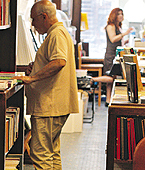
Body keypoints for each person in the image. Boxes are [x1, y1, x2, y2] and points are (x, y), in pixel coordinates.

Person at [13, 1, 79, 169]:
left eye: (34, 19)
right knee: (51, 151)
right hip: (56, 105)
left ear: (44, 17)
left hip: (50, 105)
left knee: (40, 152)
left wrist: (33, 77)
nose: (33, 24)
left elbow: (59, 62)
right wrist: (36, 66)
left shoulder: (56, 34)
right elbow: (54, 60)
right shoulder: (59, 32)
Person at [91, 8, 133, 107]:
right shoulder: (110, 26)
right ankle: (92, 79)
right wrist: (125, 34)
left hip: (116, 54)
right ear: (114, 15)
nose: (121, 16)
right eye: (119, 14)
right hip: (110, 55)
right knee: (110, 77)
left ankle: (108, 100)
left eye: (122, 14)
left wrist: (125, 41)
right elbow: (113, 39)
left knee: (112, 78)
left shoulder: (118, 27)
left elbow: (118, 40)